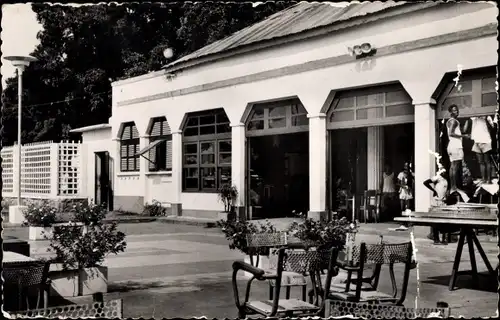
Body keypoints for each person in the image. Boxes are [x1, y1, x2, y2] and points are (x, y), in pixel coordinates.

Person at [446, 104, 470, 194]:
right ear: (450, 112)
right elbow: (451, 133)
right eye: (454, 110)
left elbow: (461, 130)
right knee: (455, 167)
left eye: (457, 110)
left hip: (452, 146)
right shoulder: (453, 122)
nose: (456, 111)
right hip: (456, 146)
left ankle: (453, 187)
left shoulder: (453, 121)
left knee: (452, 167)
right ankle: (454, 187)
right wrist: (464, 136)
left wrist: (467, 120)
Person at [465, 116, 495, 184]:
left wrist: (486, 120)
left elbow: (492, 127)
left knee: (487, 161)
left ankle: (489, 179)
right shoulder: (474, 117)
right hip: (477, 141)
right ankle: (484, 179)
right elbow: (466, 125)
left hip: (485, 140)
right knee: (481, 162)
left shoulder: (487, 116)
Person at [423, 167, 449, 245]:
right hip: (436, 202)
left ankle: (444, 239)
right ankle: (436, 239)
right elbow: (425, 182)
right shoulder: (437, 178)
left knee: (444, 221)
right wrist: (433, 190)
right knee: (435, 222)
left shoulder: (446, 180)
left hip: (443, 202)